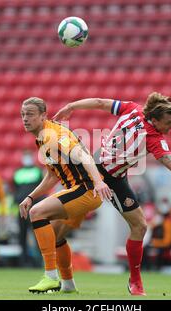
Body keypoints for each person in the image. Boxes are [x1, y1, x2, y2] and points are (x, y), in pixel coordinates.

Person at [54, 92, 171, 295]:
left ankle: (135, 281)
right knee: (64, 228)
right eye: (169, 122)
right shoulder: (153, 137)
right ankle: (56, 271)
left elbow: (100, 102)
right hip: (99, 174)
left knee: (140, 225)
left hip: (111, 173)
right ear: (155, 119)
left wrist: (72, 106)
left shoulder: (132, 108)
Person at [19, 97, 112, 294]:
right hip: (78, 190)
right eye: (23, 114)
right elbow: (53, 175)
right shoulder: (43, 137)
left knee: (37, 213)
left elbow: (84, 156)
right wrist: (30, 196)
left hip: (85, 189)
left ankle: (51, 277)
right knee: (55, 235)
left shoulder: (53, 135)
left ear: (43, 115)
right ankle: (68, 284)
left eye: (30, 114)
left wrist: (98, 182)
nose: (25, 119)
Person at [12, 150, 44, 266]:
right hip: (21, 209)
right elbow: (16, 190)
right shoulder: (17, 172)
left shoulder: (37, 171)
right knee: (22, 234)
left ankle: (39, 260)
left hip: (35, 208)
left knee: (37, 234)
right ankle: (23, 260)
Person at [142, 199, 171, 271]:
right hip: (158, 242)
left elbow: (167, 241)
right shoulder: (156, 221)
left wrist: (155, 242)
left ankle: (158, 268)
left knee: (160, 251)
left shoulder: (168, 223)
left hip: (165, 244)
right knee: (144, 249)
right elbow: (149, 229)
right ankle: (145, 268)